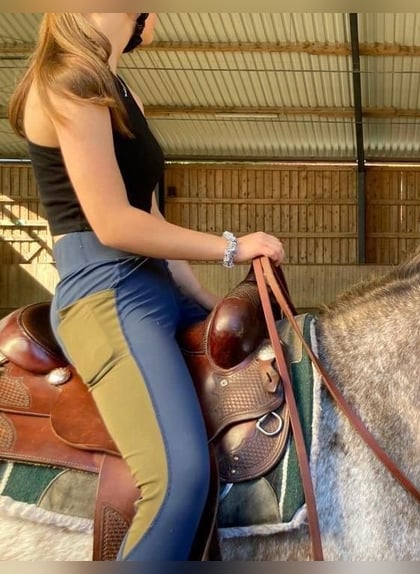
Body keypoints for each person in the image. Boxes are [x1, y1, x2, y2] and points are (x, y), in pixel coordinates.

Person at [8, 13, 284, 560]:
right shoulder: (68, 80)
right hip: (108, 293)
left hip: (157, 284)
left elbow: (152, 218)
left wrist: (208, 299)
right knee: (178, 477)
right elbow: (113, 224)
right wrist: (233, 245)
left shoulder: (121, 90)